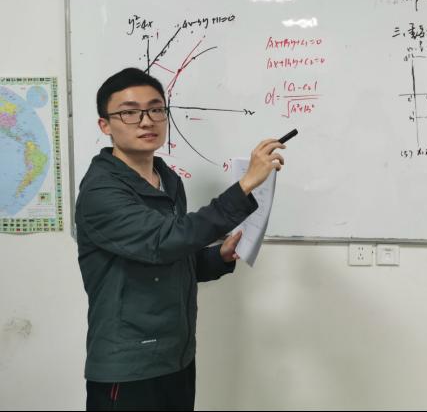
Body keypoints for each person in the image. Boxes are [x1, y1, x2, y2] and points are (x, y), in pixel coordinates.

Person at [75, 67, 285, 411]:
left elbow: (170, 256)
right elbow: (165, 241)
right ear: (105, 125)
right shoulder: (102, 192)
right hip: (128, 364)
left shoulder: (168, 179)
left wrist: (217, 257)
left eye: (156, 109)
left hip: (176, 355)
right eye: (129, 112)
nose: (146, 121)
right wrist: (246, 184)